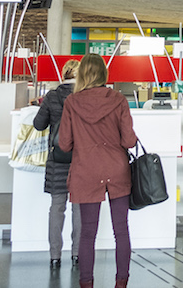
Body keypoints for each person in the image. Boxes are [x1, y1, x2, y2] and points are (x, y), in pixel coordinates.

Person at [58, 53, 137, 288]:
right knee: (121, 231)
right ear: (104, 74)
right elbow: (129, 141)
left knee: (87, 234)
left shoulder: (71, 103)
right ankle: (121, 283)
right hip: (117, 169)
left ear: (82, 74)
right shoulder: (119, 100)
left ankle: (86, 283)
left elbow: (64, 144)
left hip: (86, 170)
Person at [33, 59, 81, 268]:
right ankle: (77, 254)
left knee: (57, 206)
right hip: (81, 159)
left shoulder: (52, 96)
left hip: (57, 159)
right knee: (79, 207)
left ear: (64, 74)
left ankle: (54, 256)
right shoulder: (84, 96)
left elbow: (38, 124)